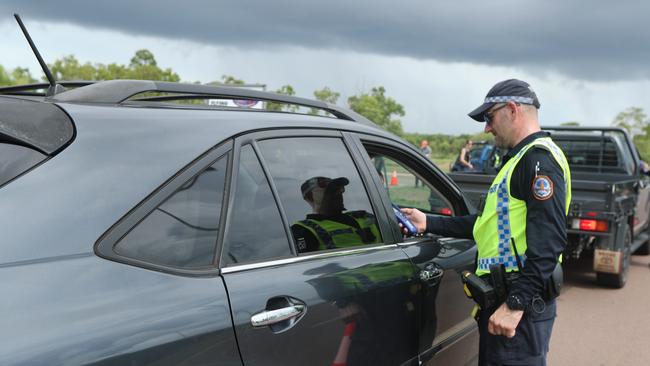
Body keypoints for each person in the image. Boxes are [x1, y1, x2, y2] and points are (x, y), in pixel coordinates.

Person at [401, 79, 571, 366]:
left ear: (513, 110)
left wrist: (516, 304)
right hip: (505, 302)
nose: (486, 128)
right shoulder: (519, 160)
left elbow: (549, 242)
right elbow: (486, 225)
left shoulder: (538, 160)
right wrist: (428, 223)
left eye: (489, 117)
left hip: (519, 306)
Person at [291, 176, 381, 252]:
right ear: (310, 196)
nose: (339, 192)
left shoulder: (363, 216)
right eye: (330, 190)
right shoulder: (303, 230)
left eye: (339, 189)